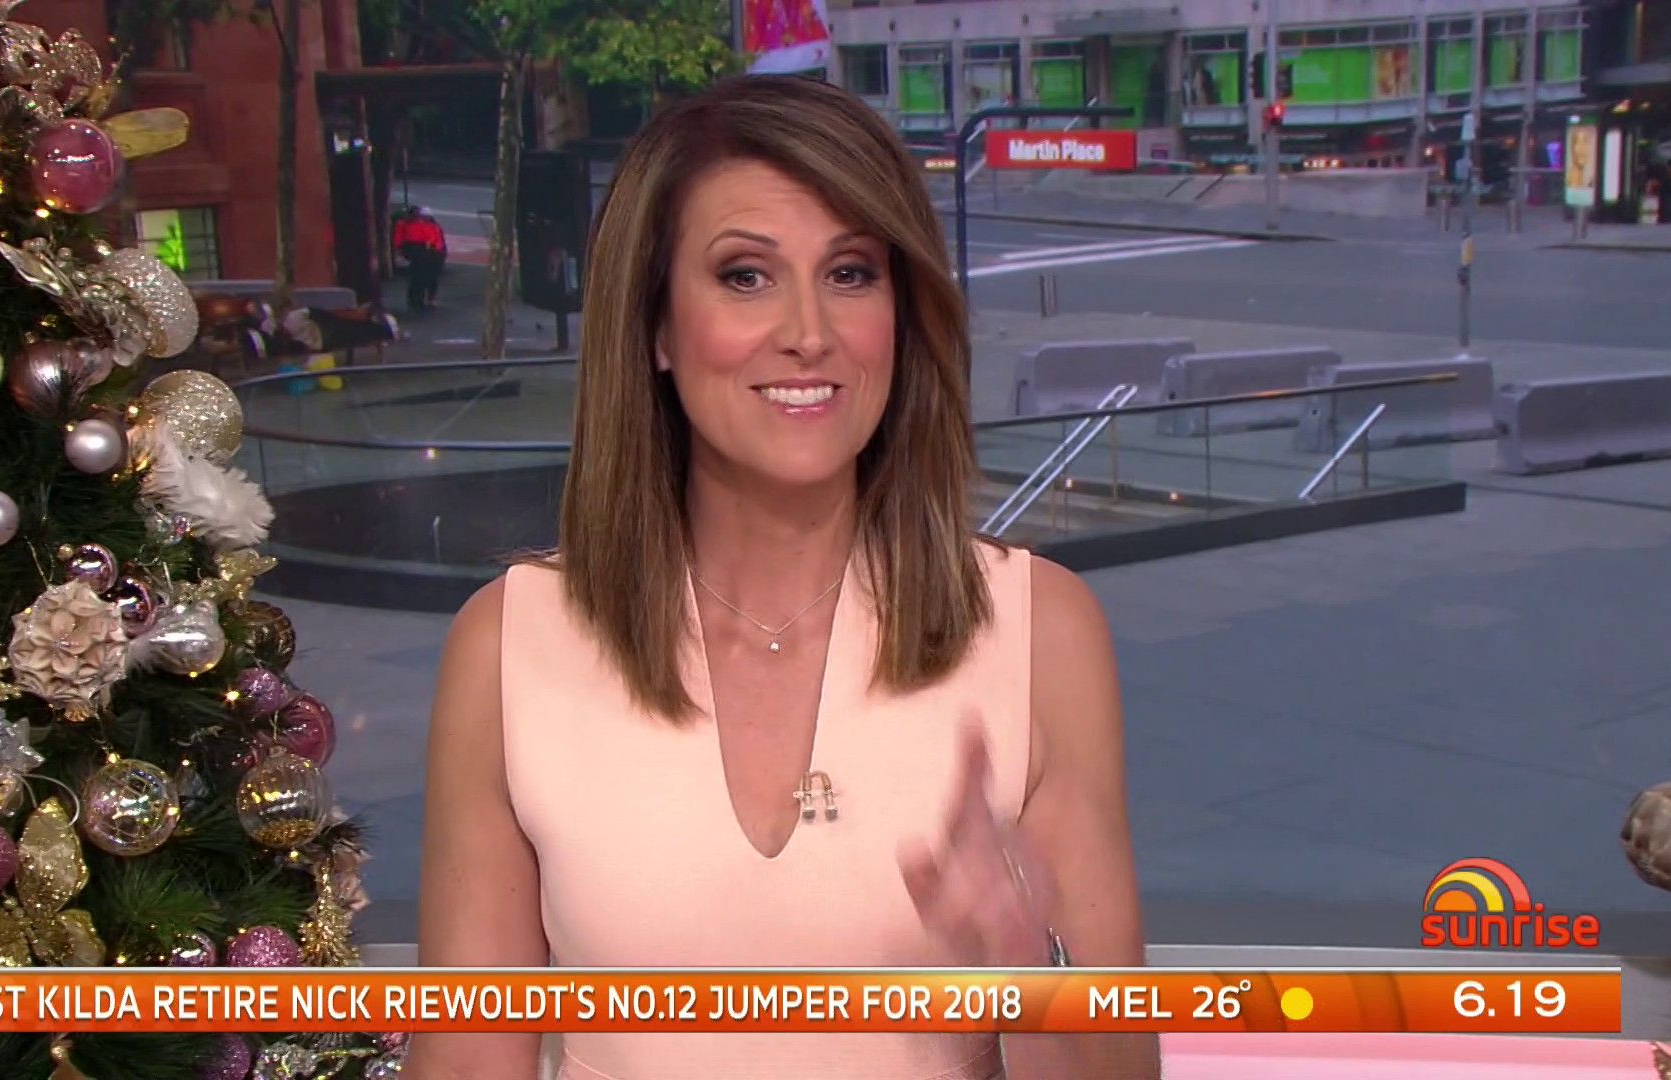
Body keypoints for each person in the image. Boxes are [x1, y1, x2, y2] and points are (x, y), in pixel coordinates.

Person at [410, 75, 1155, 1080]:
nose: (809, 331)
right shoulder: (507, 648)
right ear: (657, 327)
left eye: (850, 273)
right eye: (746, 276)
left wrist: (1030, 973)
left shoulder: (1040, 632)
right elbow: (466, 1064)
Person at [392, 205, 447, 312]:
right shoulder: (409, 225)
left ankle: (424, 299)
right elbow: (404, 239)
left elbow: (437, 241)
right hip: (421, 254)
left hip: (429, 254)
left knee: (425, 278)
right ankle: (418, 299)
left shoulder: (431, 226)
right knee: (418, 278)